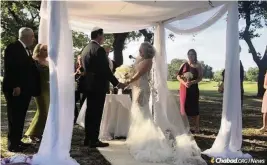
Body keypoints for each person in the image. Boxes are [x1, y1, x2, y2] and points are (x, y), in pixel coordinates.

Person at [125, 42, 205, 164]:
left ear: (145, 51)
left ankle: (149, 140)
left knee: (143, 114)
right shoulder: (141, 59)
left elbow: (139, 74)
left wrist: (127, 81)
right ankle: (139, 138)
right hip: (137, 88)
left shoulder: (148, 61)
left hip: (142, 88)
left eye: (141, 50)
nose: (139, 51)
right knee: (139, 113)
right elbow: (134, 71)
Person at [81, 27, 125, 148]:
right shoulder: (98, 50)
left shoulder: (86, 48)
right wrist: (117, 83)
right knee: (96, 113)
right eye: (103, 35)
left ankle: (88, 138)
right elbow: (105, 70)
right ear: (99, 35)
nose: (104, 38)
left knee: (90, 112)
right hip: (98, 85)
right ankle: (94, 140)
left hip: (88, 85)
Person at [2, 27, 37, 152]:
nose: (33, 39)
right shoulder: (13, 48)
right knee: (14, 116)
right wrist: (16, 86)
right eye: (32, 36)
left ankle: (17, 140)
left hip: (24, 89)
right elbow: (11, 68)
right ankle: (13, 145)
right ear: (26, 37)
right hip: (15, 88)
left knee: (20, 116)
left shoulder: (26, 49)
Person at [24, 44, 49, 142]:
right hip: (39, 89)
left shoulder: (48, 61)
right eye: (44, 50)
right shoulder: (34, 61)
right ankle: (34, 133)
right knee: (44, 112)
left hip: (48, 89)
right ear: (38, 50)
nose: (46, 52)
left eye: (47, 50)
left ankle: (33, 133)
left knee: (42, 112)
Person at [177, 49, 203, 133]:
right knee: (184, 107)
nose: (191, 56)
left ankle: (197, 127)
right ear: (187, 55)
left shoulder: (198, 66)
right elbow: (178, 76)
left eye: (192, 54)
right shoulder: (183, 64)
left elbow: (200, 78)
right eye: (189, 54)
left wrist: (192, 82)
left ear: (195, 55)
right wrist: (184, 83)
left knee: (195, 107)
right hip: (183, 88)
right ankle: (185, 127)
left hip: (193, 89)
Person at [74, 55, 86, 123]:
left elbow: (84, 74)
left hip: (84, 87)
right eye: (79, 59)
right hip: (77, 88)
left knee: (82, 102)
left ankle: (81, 119)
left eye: (81, 59)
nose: (80, 61)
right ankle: (76, 116)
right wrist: (75, 73)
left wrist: (81, 72)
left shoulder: (85, 66)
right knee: (73, 101)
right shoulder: (75, 66)